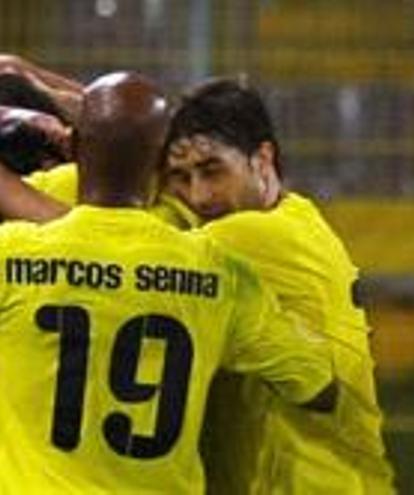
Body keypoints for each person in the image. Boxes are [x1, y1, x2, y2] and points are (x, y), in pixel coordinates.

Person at [0, 72, 336, 492]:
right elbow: (319, 385)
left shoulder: (11, 255)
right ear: (162, 166)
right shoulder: (219, 273)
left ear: (76, 149)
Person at [163, 79, 395, 494]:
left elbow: (115, 251)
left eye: (212, 171)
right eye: (179, 177)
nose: (197, 196)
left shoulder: (249, 236)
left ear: (262, 158)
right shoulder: (296, 215)